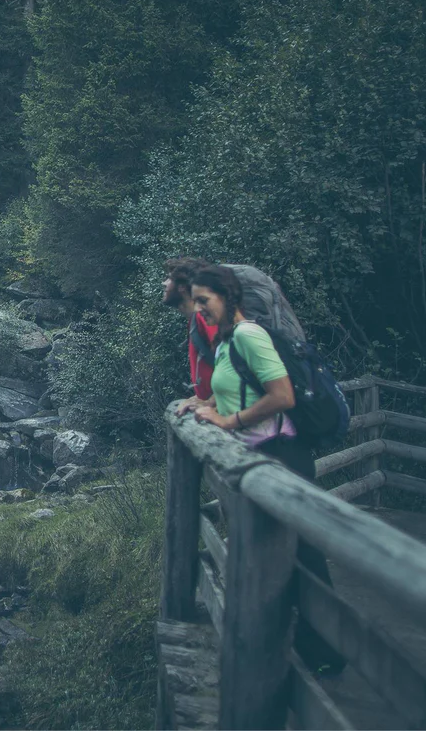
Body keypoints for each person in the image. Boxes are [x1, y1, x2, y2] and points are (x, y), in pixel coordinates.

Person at [179, 265, 345, 674]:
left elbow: (282, 395)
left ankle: (323, 651)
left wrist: (228, 422)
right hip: (264, 450)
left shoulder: (250, 335)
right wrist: (206, 406)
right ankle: (284, 645)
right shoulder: (231, 340)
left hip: (281, 450)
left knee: (300, 551)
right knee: (270, 547)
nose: (198, 309)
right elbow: (237, 390)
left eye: (204, 301)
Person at [161, 257, 217, 409]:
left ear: (181, 287)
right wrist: (200, 398)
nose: (164, 283)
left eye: (169, 279)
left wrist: (210, 401)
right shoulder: (195, 320)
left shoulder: (204, 318)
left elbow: (235, 363)